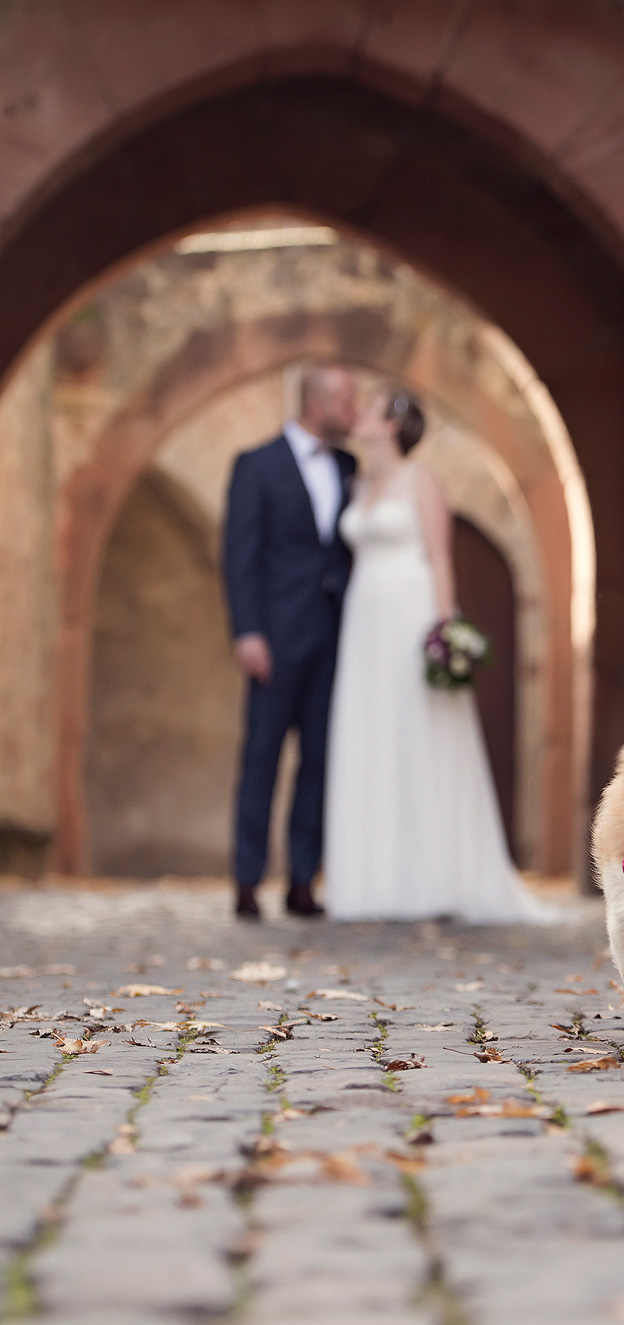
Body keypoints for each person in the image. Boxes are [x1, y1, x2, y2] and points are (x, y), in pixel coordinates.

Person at [324, 387, 551, 922]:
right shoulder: (358, 482)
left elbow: (440, 558)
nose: (360, 414)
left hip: (409, 610)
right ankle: (371, 881)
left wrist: (443, 630)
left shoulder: (421, 481)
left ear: (391, 425)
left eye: (371, 408)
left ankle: (434, 877)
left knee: (417, 732)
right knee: (371, 735)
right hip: (363, 619)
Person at [223, 366, 357, 918]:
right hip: (274, 639)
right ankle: (247, 881)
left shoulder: (349, 466)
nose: (352, 414)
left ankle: (303, 880)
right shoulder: (257, 465)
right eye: (347, 402)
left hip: (336, 639)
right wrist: (247, 631)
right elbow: (239, 553)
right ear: (317, 402)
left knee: (320, 759)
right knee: (262, 756)